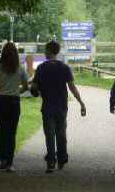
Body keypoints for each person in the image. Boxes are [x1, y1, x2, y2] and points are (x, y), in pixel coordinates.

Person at [31, 41, 86, 173]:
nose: (44, 52)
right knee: (61, 133)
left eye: (45, 50)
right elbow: (72, 87)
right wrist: (81, 103)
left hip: (47, 106)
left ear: (50, 51)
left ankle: (51, 162)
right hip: (61, 106)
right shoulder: (64, 67)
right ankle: (61, 159)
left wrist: (34, 89)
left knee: (49, 135)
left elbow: (34, 88)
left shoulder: (41, 68)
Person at [0, 42, 29, 172]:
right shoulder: (20, 68)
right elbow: (26, 86)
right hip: (14, 102)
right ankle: (10, 163)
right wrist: (17, 92)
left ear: (3, 52)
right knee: (12, 132)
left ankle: (3, 159)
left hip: (0, 101)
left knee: (2, 131)